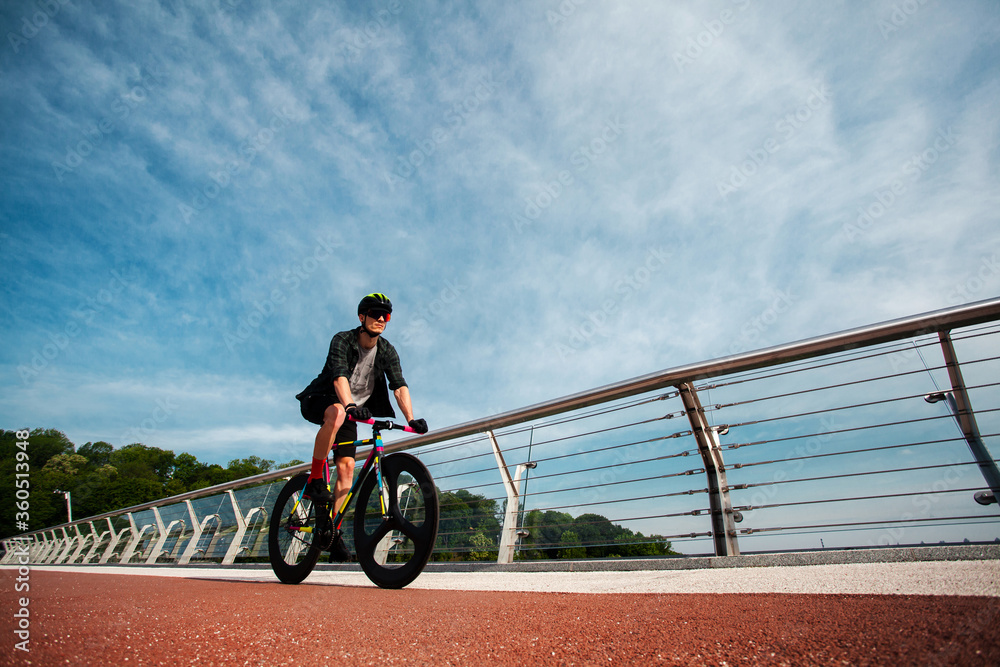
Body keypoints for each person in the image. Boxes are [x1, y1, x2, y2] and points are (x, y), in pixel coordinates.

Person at [295, 292, 428, 561]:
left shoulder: (387, 350)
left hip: (351, 411)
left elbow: (399, 385)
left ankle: (332, 532)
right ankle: (316, 479)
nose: (381, 318)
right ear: (361, 317)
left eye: (386, 315)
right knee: (337, 413)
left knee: (346, 468)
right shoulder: (343, 339)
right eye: (375, 313)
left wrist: (411, 419)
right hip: (322, 399)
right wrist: (349, 405)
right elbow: (339, 377)